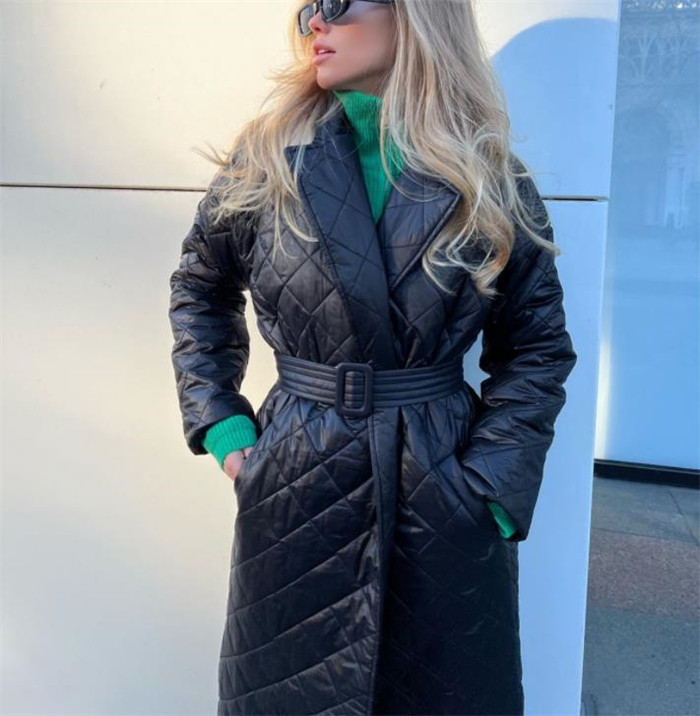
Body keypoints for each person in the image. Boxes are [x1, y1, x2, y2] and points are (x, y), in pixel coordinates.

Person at [168, 1, 578, 714]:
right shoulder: (269, 159)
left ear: (417, 15)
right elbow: (200, 289)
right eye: (308, 8)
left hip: (442, 485)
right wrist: (226, 428)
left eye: (336, 3)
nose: (314, 23)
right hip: (298, 480)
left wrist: (491, 491)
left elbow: (536, 348)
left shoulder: (487, 176)